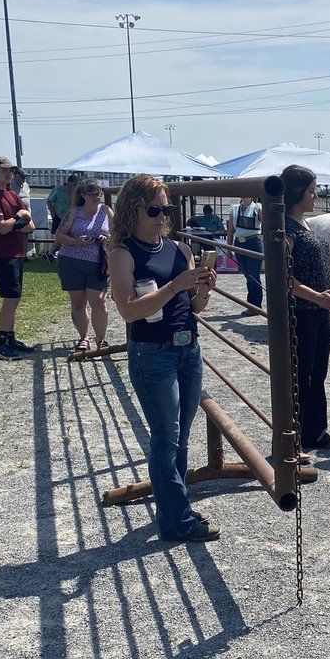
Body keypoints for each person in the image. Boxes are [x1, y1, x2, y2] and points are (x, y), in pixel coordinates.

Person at [108, 174, 218, 543]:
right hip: (152, 353)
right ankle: (176, 521)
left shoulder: (178, 248)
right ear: (133, 209)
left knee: (181, 436)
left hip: (189, 347)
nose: (161, 215)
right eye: (153, 209)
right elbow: (127, 311)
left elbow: (196, 307)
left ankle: (176, 508)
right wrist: (176, 286)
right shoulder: (122, 254)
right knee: (165, 437)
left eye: (165, 208)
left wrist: (202, 289)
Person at [282, 164, 330, 451]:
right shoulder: (285, 228)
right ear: (298, 193)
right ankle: (295, 439)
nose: (316, 196)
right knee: (302, 375)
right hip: (303, 311)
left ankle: (315, 433)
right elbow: (284, 277)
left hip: (319, 310)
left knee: (316, 374)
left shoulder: (305, 224)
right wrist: (317, 297)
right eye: (312, 190)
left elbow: (306, 262)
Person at [54, 178, 113, 350]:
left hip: (98, 263)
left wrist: (107, 239)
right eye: (92, 194)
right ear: (83, 195)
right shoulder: (74, 212)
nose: (96, 197)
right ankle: (84, 337)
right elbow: (59, 235)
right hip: (72, 261)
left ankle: (101, 339)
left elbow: (117, 232)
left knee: (99, 301)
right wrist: (76, 241)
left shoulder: (106, 210)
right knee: (78, 303)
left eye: (98, 194)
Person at [0, 155, 36, 360]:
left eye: (11, 170)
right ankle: (0, 342)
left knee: (15, 297)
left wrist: (18, 221)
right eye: (5, 170)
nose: (10, 173)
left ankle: (10, 338)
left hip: (17, 252)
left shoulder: (12, 194)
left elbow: (30, 225)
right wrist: (18, 218)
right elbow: (1, 228)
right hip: (1, 254)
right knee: (10, 298)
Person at [227, 193, 263, 309]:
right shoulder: (235, 209)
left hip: (253, 242)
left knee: (253, 275)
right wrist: (229, 249)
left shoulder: (258, 208)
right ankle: (252, 304)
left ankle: (255, 305)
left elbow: (265, 223)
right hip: (239, 243)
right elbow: (230, 230)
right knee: (247, 275)